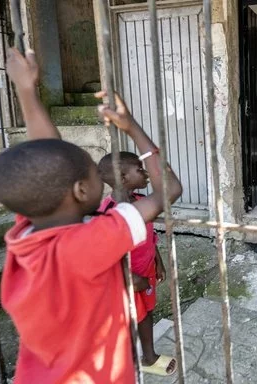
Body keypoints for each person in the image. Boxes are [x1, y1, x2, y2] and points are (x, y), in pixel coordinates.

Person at [0, 48, 182, 383]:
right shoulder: (88, 242)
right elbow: (169, 191)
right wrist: (132, 127)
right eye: (93, 170)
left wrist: (26, 90)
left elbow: (47, 158)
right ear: (80, 191)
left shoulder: (26, 231)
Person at [97, 151, 175, 376]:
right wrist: (130, 278)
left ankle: (147, 357)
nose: (146, 174)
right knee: (128, 319)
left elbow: (150, 238)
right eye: (139, 170)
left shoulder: (141, 203)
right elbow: (105, 255)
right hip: (127, 280)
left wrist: (158, 262)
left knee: (147, 313)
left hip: (146, 272)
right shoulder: (108, 212)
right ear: (123, 177)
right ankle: (131, 361)